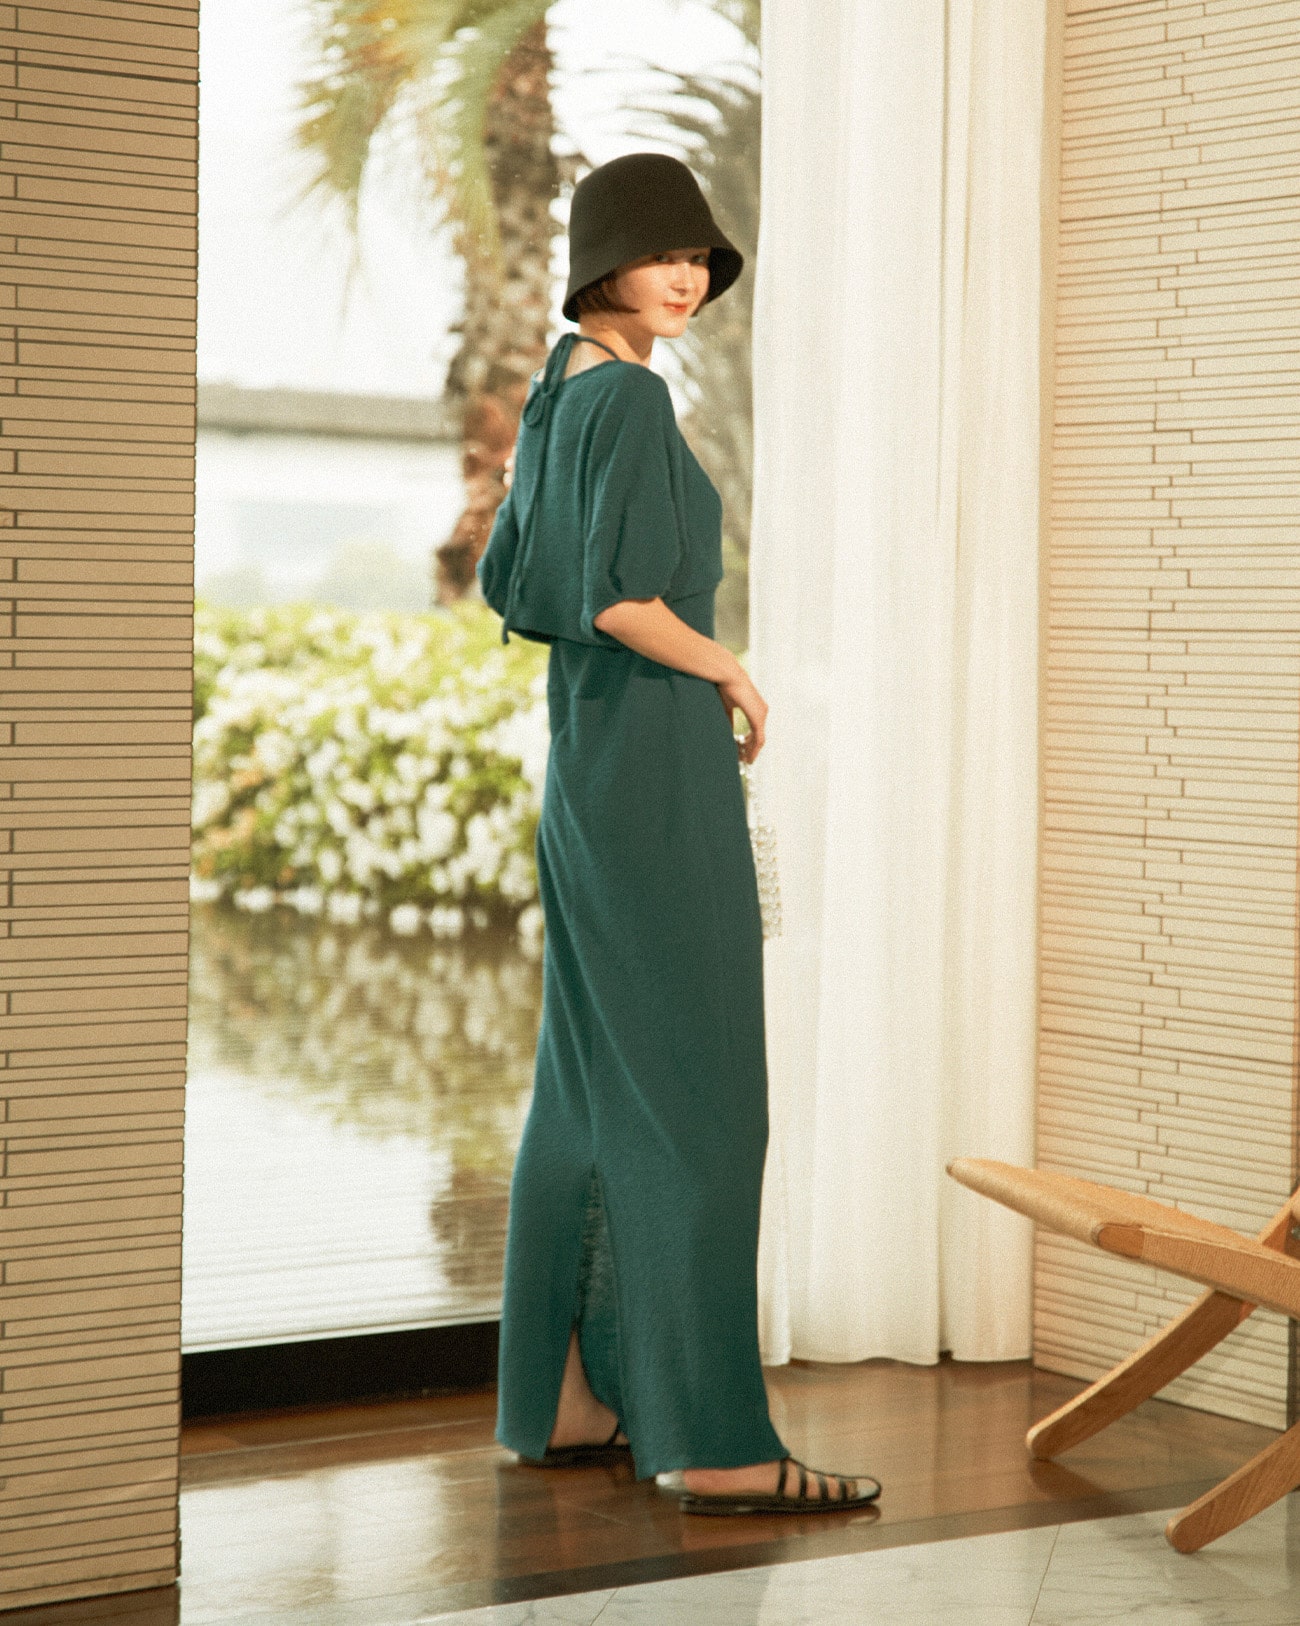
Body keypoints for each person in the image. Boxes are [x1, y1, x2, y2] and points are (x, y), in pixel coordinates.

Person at [476, 152, 880, 1514]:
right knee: (705, 1097)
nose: (688, 276)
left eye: (700, 255)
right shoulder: (632, 397)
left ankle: (565, 1397)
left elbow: (517, 581)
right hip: (653, 764)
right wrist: (731, 671)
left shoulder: (559, 390)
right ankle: (712, 1438)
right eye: (663, 253)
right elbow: (618, 598)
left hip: (586, 766)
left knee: (588, 1089)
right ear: (604, 263)